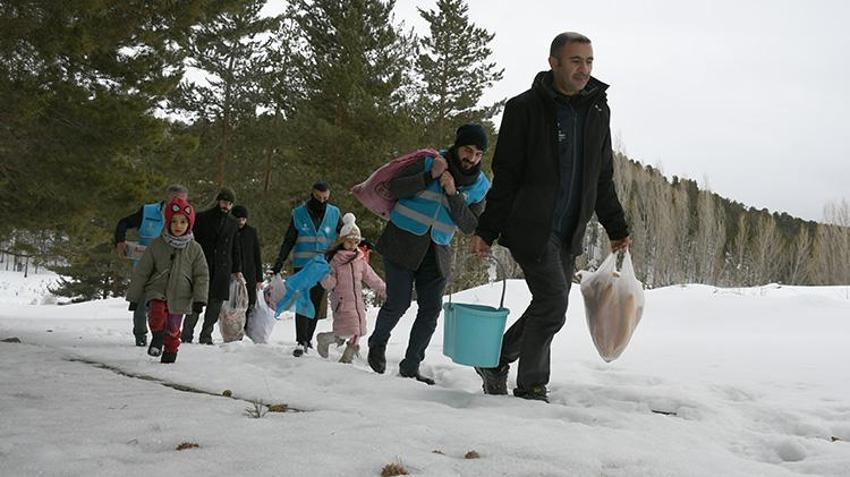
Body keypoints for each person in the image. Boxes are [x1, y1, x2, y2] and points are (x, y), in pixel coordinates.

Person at [471, 32, 631, 402]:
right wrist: (487, 228)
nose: (584, 69)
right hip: (531, 226)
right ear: (554, 62)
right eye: (576, 61)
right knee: (554, 302)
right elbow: (506, 174)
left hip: (570, 228)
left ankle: (495, 360)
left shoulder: (597, 109)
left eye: (589, 62)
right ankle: (532, 386)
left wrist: (616, 226)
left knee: (549, 304)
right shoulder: (524, 108)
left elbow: (601, 175)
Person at [367, 124, 490, 385]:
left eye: (479, 154)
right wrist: (428, 177)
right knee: (398, 303)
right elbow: (394, 189)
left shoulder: (480, 186)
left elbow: (470, 225)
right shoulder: (427, 162)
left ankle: (411, 365)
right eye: (468, 150)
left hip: (436, 250)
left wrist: (452, 193)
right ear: (457, 147)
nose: (472, 158)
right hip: (401, 240)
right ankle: (378, 342)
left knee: (431, 309)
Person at [126, 197, 209, 363]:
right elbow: (142, 272)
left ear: (189, 224)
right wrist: (134, 298)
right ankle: (157, 337)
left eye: (183, 222)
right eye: (174, 222)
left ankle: (170, 354)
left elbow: (202, 275)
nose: (178, 226)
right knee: (156, 314)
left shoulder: (194, 249)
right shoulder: (157, 244)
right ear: (168, 223)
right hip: (157, 290)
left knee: (173, 328)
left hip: (181, 294)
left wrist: (200, 299)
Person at [271, 181, 341, 357]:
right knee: (302, 302)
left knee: (316, 303)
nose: (322, 201)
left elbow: (346, 234)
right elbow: (289, 239)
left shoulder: (334, 213)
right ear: (312, 194)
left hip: (322, 267)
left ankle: (308, 339)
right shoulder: (299, 213)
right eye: (318, 197)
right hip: (302, 266)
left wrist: (358, 244)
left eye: (325, 198)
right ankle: (301, 340)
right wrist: (280, 260)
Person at [114, 184, 189, 347]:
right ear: (167, 197)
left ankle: (163, 335)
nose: (178, 204)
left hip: (170, 270)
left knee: (164, 306)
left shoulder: (186, 218)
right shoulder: (148, 211)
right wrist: (120, 241)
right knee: (141, 303)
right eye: (175, 199)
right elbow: (123, 222)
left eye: (182, 200)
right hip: (144, 267)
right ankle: (140, 335)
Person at [318, 213, 386, 364]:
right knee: (350, 331)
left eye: (356, 242)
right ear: (342, 241)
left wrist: (384, 290)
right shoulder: (335, 261)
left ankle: (326, 340)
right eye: (349, 241)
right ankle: (346, 357)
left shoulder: (360, 260)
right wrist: (324, 277)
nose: (353, 245)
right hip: (342, 302)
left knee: (355, 330)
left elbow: (371, 277)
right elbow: (330, 284)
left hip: (356, 302)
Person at [181, 188, 243, 345]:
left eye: (229, 204)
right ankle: (186, 334)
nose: (226, 206)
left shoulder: (233, 223)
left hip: (223, 269)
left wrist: (237, 269)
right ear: (218, 201)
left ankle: (206, 335)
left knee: (215, 305)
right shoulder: (202, 217)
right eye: (224, 202)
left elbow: (235, 248)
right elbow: (192, 242)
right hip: (203, 265)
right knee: (196, 301)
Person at [232, 205, 264, 329]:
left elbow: (257, 255)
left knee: (250, 302)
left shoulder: (251, 232)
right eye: (238, 219)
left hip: (250, 273)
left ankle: (246, 328)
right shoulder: (229, 231)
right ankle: (234, 329)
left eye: (243, 219)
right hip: (233, 274)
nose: (241, 222)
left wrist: (259, 278)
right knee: (234, 303)